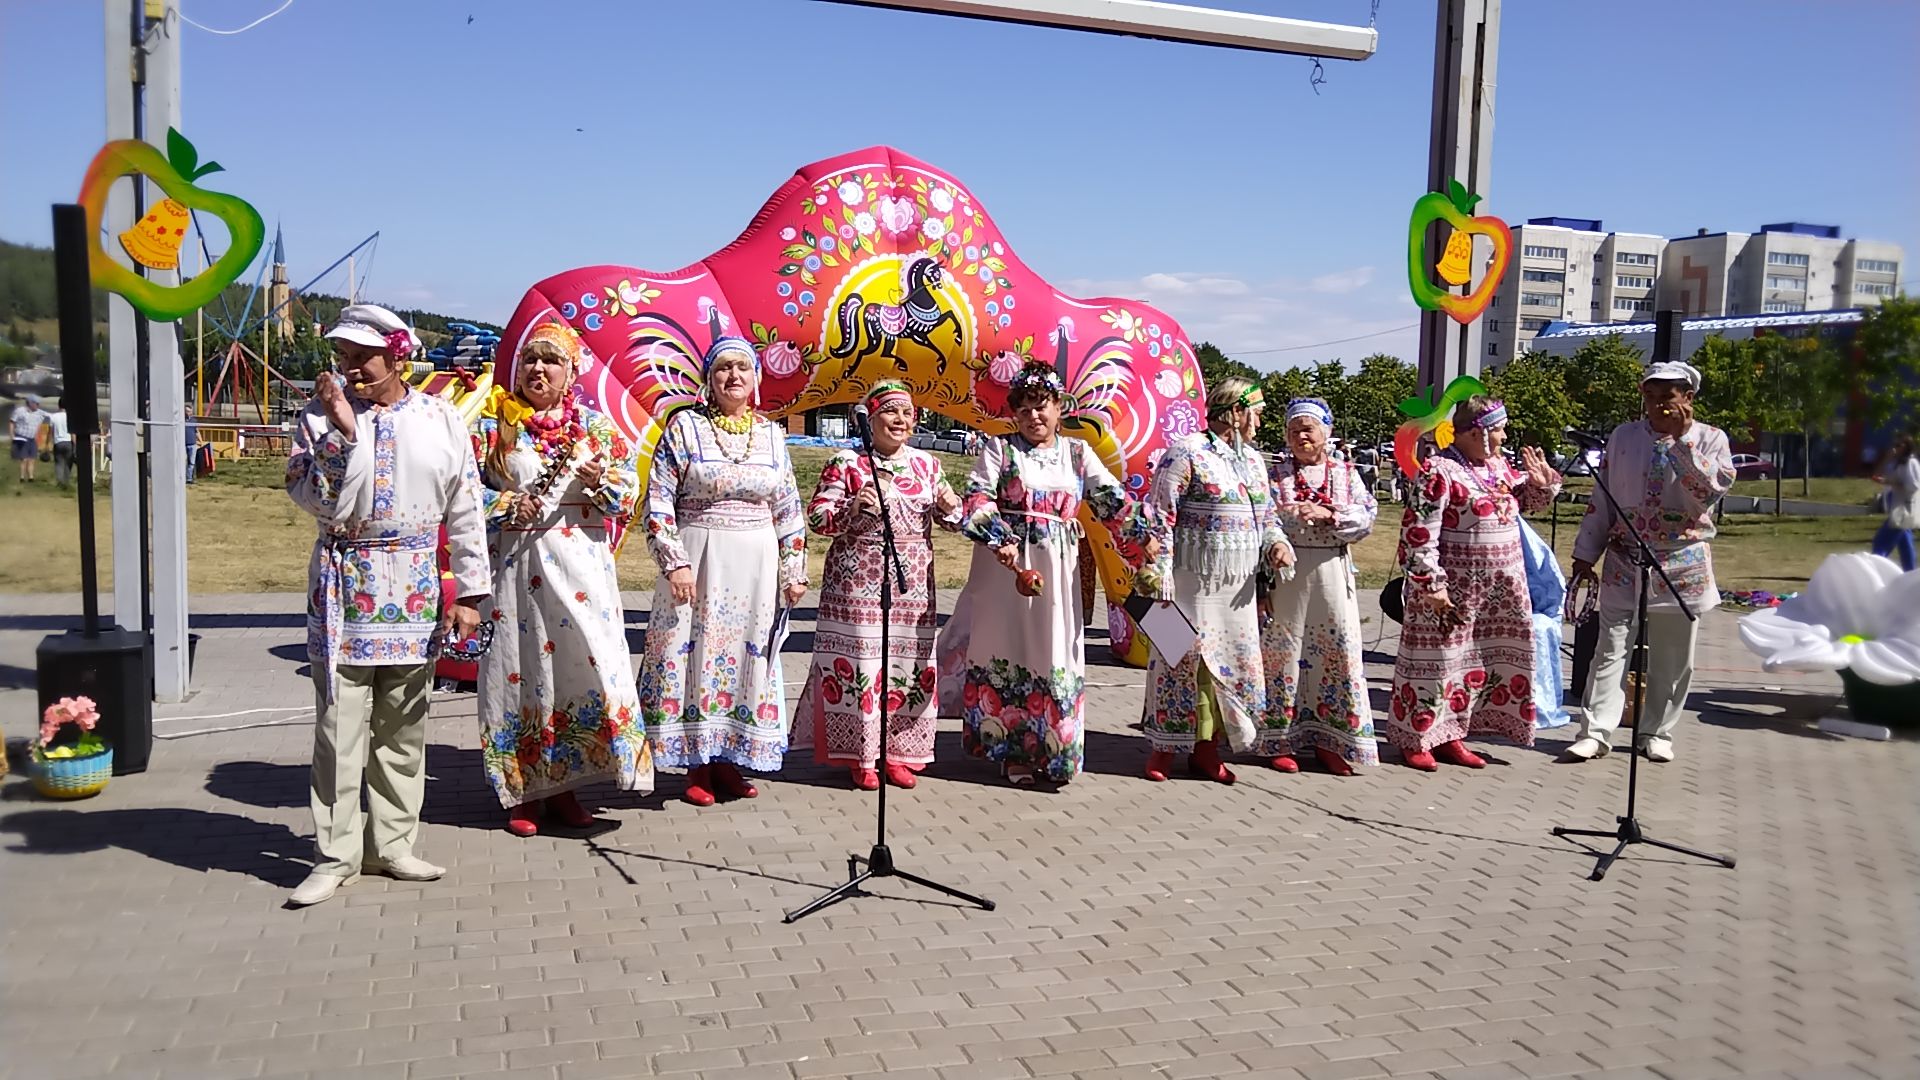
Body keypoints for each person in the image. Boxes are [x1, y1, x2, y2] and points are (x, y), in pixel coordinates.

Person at [284, 304, 489, 907]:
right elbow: (318, 503)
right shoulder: (318, 419)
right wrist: (345, 434)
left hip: (416, 586)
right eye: (343, 359)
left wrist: (471, 593)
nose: (351, 371)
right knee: (339, 729)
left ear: (397, 355)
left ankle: (394, 844)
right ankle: (336, 855)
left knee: (403, 725)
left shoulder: (440, 418)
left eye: (362, 359)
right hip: (347, 586)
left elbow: (467, 505)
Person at [473, 321, 652, 835]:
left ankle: (568, 785)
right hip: (518, 569)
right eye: (530, 360)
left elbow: (627, 498)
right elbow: (463, 493)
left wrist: (604, 482)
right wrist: (505, 502)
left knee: (584, 667)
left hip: (581, 567)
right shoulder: (496, 425)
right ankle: (523, 791)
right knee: (521, 671)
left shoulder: (595, 428)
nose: (538, 369)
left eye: (550, 360)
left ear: (571, 371)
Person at [941, 362, 1152, 785]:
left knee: (1056, 648)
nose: (1034, 416)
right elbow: (977, 497)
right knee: (1009, 647)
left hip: (1057, 563)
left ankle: (1055, 750)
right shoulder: (999, 450)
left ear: (1059, 408)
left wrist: (1143, 537)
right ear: (1014, 414)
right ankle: (1012, 750)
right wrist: (998, 536)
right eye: (1025, 410)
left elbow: (1110, 498)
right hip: (1006, 568)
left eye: (1042, 407)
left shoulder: (1077, 453)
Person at [637, 337, 808, 806]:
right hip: (701, 560)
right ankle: (696, 762)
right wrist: (675, 562)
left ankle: (729, 758)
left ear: (755, 380)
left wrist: (793, 569)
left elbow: (788, 506)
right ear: (709, 381)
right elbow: (658, 502)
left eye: (743, 369)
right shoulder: (684, 429)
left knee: (747, 656)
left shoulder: (773, 435)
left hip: (756, 565)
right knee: (694, 654)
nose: (734, 377)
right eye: (723, 369)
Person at [793, 380, 961, 790]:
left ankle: (898, 753)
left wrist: (951, 507)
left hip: (913, 585)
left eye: (907, 413)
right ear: (871, 419)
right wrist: (852, 507)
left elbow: (952, 520)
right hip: (856, 584)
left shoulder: (928, 465)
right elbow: (817, 519)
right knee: (863, 666)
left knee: (906, 666)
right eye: (890, 412)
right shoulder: (846, 462)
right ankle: (861, 755)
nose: (900, 420)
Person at [1565, 362, 1735, 764]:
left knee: (1672, 656)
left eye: (1667, 397)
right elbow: (1603, 496)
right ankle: (1596, 731)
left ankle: (1656, 731)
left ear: (1687, 399)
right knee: (1609, 649)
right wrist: (1586, 553)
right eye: (1651, 396)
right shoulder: (1624, 437)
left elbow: (1708, 493)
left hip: (1681, 561)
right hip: (1625, 559)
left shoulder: (1711, 439)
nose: (1657, 405)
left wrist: (1682, 443)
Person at [1388, 395, 1561, 771]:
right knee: (1438, 663)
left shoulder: (1499, 467)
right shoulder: (1440, 470)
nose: (1503, 437)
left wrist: (1542, 484)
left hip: (1499, 591)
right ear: (1475, 433)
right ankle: (1417, 737)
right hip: (1453, 590)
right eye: (1498, 429)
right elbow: (1418, 530)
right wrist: (1430, 582)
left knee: (1474, 664)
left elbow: (1524, 503)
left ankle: (1453, 735)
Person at [1137, 377, 1292, 784]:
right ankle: (1163, 751)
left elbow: (1268, 517)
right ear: (1235, 412)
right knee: (1178, 659)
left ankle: (1208, 752)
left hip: (1235, 589)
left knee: (1227, 667)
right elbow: (1160, 516)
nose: (1259, 422)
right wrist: (1160, 575)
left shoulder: (1254, 463)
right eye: (1255, 413)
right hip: (1188, 581)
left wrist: (1276, 544)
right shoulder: (1186, 452)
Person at [1261, 397, 1379, 775]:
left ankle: (1332, 740)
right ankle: (1279, 739)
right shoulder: (1275, 475)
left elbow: (1367, 516)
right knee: (1284, 652)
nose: (1300, 436)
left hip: (1331, 571)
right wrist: (1277, 538)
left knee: (1335, 652)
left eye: (1307, 429)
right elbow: (1262, 516)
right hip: (1288, 574)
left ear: (1326, 433)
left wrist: (1331, 513)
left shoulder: (1345, 473)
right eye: (1293, 431)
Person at [1871, 434, 1919, 572]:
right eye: (1894, 445)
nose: (1895, 448)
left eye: (1899, 445)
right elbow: (1876, 475)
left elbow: (1914, 486)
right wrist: (1887, 458)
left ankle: (1875, 573)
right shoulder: (1897, 463)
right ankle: (1910, 575)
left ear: (1907, 447)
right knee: (1905, 545)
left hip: (1904, 509)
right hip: (1896, 505)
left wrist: (1891, 482)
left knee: (1880, 543)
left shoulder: (1911, 463)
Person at [11, 394, 47, 484]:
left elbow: (51, 416)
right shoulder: (20, 411)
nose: (38, 405)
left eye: (38, 404)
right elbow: (12, 422)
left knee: (32, 458)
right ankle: (22, 477)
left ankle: (31, 477)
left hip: (32, 438)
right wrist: (12, 436)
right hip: (21, 437)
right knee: (24, 459)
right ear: (30, 403)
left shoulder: (39, 412)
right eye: (36, 403)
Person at [46, 404, 73, 487]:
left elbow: (50, 432)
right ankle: (66, 481)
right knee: (68, 463)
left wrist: (47, 443)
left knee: (59, 463)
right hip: (68, 441)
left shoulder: (53, 417)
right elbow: (73, 431)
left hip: (58, 442)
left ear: (58, 406)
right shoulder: (70, 416)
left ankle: (59, 481)